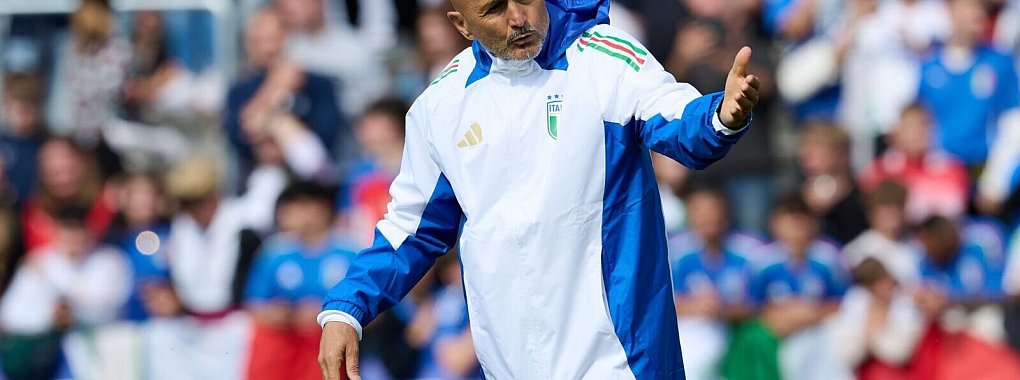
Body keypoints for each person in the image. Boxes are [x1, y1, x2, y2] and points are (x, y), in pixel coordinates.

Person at [317, 0, 761, 379]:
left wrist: (721, 115)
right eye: (494, 8)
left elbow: (679, 120)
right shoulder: (439, 106)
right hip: (509, 367)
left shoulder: (604, 59)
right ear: (461, 25)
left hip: (621, 362)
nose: (518, 17)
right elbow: (410, 232)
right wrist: (346, 309)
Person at [721, 195, 846, 380]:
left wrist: (813, 313)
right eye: (788, 224)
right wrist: (774, 315)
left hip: (818, 328)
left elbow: (846, 301)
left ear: (813, 224)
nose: (795, 232)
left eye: (800, 224)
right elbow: (748, 306)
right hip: (774, 330)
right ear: (774, 225)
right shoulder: (762, 261)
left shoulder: (828, 256)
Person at [245, 181, 356, 380]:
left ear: (321, 209)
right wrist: (276, 313)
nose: (287, 213)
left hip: (329, 346)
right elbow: (254, 304)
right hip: (284, 347)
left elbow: (374, 311)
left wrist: (327, 315)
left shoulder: (350, 251)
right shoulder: (274, 251)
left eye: (297, 206)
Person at [669, 188, 754, 380]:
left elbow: (764, 300)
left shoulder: (750, 249)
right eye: (701, 210)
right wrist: (690, 306)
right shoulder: (671, 250)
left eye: (714, 209)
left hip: (735, 327)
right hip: (687, 326)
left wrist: (724, 310)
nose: (709, 217)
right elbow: (654, 303)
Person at [857, 104, 970, 223]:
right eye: (911, 127)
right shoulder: (879, 171)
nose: (918, 132)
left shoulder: (953, 169)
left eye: (923, 125)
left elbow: (955, 211)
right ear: (897, 131)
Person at [797, 124, 868, 245]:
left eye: (814, 152)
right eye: (805, 153)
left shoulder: (860, 198)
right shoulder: (797, 196)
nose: (806, 159)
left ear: (841, 155)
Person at [843, 180, 922, 286]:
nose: (894, 215)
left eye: (898, 208)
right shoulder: (858, 250)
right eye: (887, 210)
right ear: (872, 213)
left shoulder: (915, 247)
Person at [0, 73, 47, 206]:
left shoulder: (45, 143)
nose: (25, 113)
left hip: (36, 210)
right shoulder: (2, 142)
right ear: (6, 104)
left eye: (30, 106)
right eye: (20, 108)